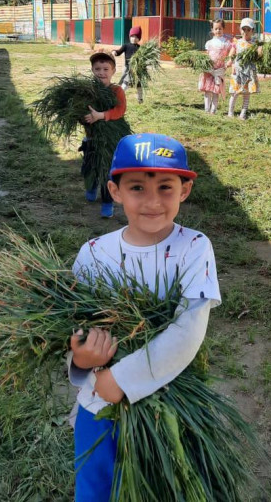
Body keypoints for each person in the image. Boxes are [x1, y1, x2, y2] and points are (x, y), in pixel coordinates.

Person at [68, 133, 221, 501]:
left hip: (167, 408)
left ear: (184, 190)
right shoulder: (93, 253)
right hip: (96, 406)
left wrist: (121, 378)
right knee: (95, 488)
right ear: (115, 190)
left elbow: (187, 331)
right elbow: (71, 327)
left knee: (159, 487)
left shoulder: (194, 247)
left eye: (166, 187)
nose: (152, 202)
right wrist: (81, 360)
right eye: (137, 187)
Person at [81, 52, 128, 218]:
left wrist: (100, 116)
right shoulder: (88, 91)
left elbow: (120, 110)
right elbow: (80, 110)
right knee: (89, 166)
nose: (101, 72)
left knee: (107, 171)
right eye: (97, 69)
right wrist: (85, 118)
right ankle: (91, 186)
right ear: (92, 70)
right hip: (91, 138)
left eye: (106, 69)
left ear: (113, 71)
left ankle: (107, 203)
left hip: (110, 141)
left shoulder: (117, 91)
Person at [227, 17, 262, 120]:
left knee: (246, 94)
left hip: (249, 73)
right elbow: (232, 54)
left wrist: (260, 50)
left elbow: (258, 56)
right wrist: (230, 62)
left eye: (248, 29)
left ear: (253, 31)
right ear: (240, 30)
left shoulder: (254, 44)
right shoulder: (237, 42)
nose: (245, 32)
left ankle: (243, 113)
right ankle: (230, 112)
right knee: (235, 93)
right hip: (238, 71)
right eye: (243, 29)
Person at [200, 18, 231, 114]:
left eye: (220, 28)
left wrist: (228, 62)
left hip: (219, 71)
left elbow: (230, 54)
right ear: (212, 30)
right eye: (216, 29)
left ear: (223, 29)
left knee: (216, 91)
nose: (218, 31)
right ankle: (206, 109)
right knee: (208, 90)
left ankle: (213, 110)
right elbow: (206, 55)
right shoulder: (209, 43)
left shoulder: (226, 42)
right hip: (209, 70)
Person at [112, 26, 143, 104]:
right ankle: (118, 98)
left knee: (139, 85)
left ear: (139, 38)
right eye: (132, 36)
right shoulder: (126, 46)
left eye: (136, 37)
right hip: (128, 68)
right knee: (125, 83)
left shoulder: (140, 48)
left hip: (137, 69)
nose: (134, 38)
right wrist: (115, 52)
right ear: (129, 37)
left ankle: (140, 99)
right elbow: (119, 52)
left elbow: (143, 58)